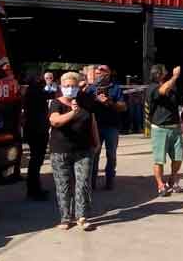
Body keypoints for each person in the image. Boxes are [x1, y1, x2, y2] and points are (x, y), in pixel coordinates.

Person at [48, 72, 99, 230]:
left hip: (83, 150)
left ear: (78, 87)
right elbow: (55, 121)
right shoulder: (56, 103)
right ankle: (65, 218)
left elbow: (92, 121)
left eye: (73, 86)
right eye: (67, 86)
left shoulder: (85, 102)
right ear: (61, 87)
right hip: (60, 150)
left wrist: (96, 142)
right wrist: (72, 113)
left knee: (83, 183)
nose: (70, 89)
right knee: (63, 184)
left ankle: (82, 216)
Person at [83, 65, 126, 190]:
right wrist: (94, 99)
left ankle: (109, 181)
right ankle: (92, 183)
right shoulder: (90, 89)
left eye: (103, 72)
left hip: (111, 127)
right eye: (97, 73)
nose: (100, 74)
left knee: (111, 155)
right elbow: (83, 106)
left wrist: (109, 102)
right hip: (94, 126)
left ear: (109, 74)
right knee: (93, 155)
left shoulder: (116, 88)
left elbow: (123, 106)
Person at [146, 64, 183, 196]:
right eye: (165, 71)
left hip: (175, 127)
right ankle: (160, 185)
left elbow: (178, 100)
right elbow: (162, 91)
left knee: (178, 158)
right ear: (158, 74)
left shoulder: (172, 86)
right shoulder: (152, 87)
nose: (167, 73)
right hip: (160, 129)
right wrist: (174, 77)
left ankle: (172, 180)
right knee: (159, 159)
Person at [23, 75, 52, 200]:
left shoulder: (29, 93)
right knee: (36, 160)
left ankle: (34, 188)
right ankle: (34, 190)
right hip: (38, 131)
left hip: (32, 130)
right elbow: (50, 94)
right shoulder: (37, 93)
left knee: (35, 160)